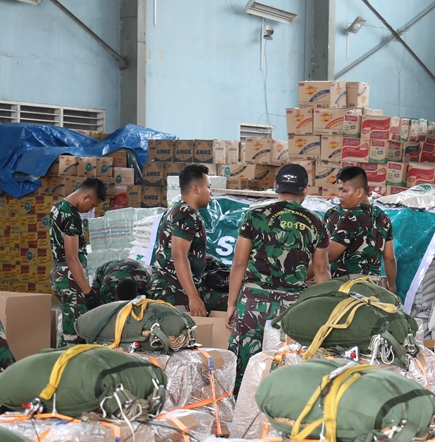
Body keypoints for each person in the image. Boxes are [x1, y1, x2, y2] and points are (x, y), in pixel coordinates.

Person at [226, 163, 331, 389]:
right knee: (281, 366)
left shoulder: (255, 215)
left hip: (253, 301)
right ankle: (273, 418)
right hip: (290, 308)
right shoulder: (315, 222)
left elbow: (239, 263)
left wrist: (232, 304)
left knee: (243, 366)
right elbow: (322, 271)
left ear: (275, 186)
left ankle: (238, 417)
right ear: (305, 190)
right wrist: (329, 313)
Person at [148, 164, 213, 316]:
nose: (211, 193)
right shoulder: (185, 214)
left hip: (174, 286)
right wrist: (194, 297)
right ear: (196, 189)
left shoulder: (180, 210)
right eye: (208, 187)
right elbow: (179, 254)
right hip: (172, 290)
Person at [50, 177, 106, 347]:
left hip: (59, 273)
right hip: (70, 277)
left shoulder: (57, 207)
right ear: (85, 197)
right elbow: (72, 257)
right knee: (75, 334)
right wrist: (88, 292)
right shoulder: (71, 216)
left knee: (68, 329)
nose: (91, 209)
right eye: (93, 205)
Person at [323, 166, 397, 291]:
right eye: (339, 190)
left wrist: (300, 278)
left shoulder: (346, 217)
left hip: (348, 287)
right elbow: (389, 258)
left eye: (344, 191)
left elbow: (328, 255)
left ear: (360, 192)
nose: (339, 195)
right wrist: (391, 285)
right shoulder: (383, 217)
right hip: (375, 287)